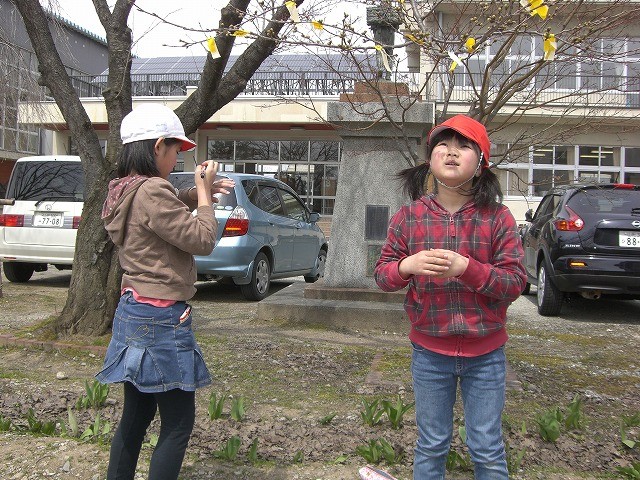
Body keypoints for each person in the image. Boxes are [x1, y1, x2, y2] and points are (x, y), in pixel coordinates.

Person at [374, 115, 526, 480]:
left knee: (486, 445)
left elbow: (514, 283)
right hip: (429, 353)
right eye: (443, 144)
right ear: (430, 159)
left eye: (464, 146)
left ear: (482, 161)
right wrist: (407, 265)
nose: (452, 152)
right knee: (431, 442)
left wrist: (466, 268)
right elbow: (382, 276)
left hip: (486, 355)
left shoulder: (498, 217)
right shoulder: (409, 217)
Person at [96, 103, 234, 480]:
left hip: (133, 310)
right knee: (177, 424)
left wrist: (196, 193)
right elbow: (202, 240)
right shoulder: (152, 190)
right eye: (175, 152)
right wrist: (203, 197)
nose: (176, 161)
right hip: (161, 318)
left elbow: (163, 205)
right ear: (158, 147)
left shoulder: (123, 188)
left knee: (136, 416)